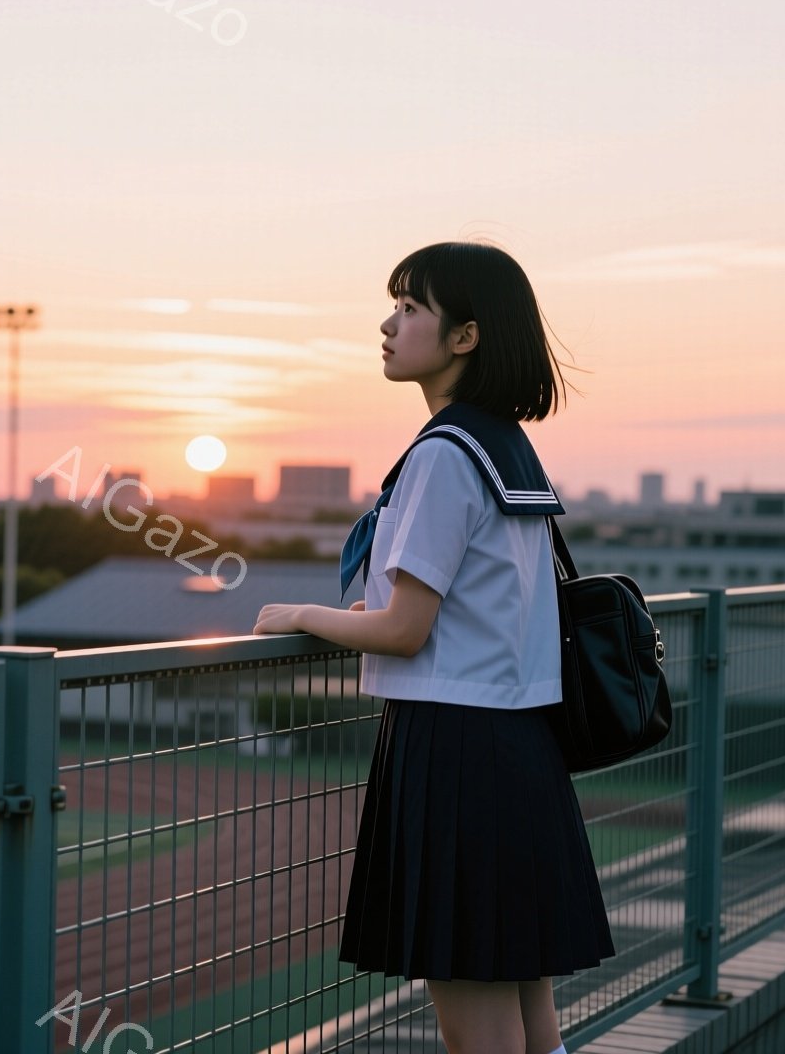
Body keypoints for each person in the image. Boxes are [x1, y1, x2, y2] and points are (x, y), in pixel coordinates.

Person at [253, 241, 616, 1054]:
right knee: (529, 1016)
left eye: (411, 308)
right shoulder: (504, 444)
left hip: (455, 750)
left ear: (466, 337)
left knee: (477, 1031)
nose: (388, 324)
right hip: (520, 744)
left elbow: (404, 629)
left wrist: (308, 614)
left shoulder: (445, 455)